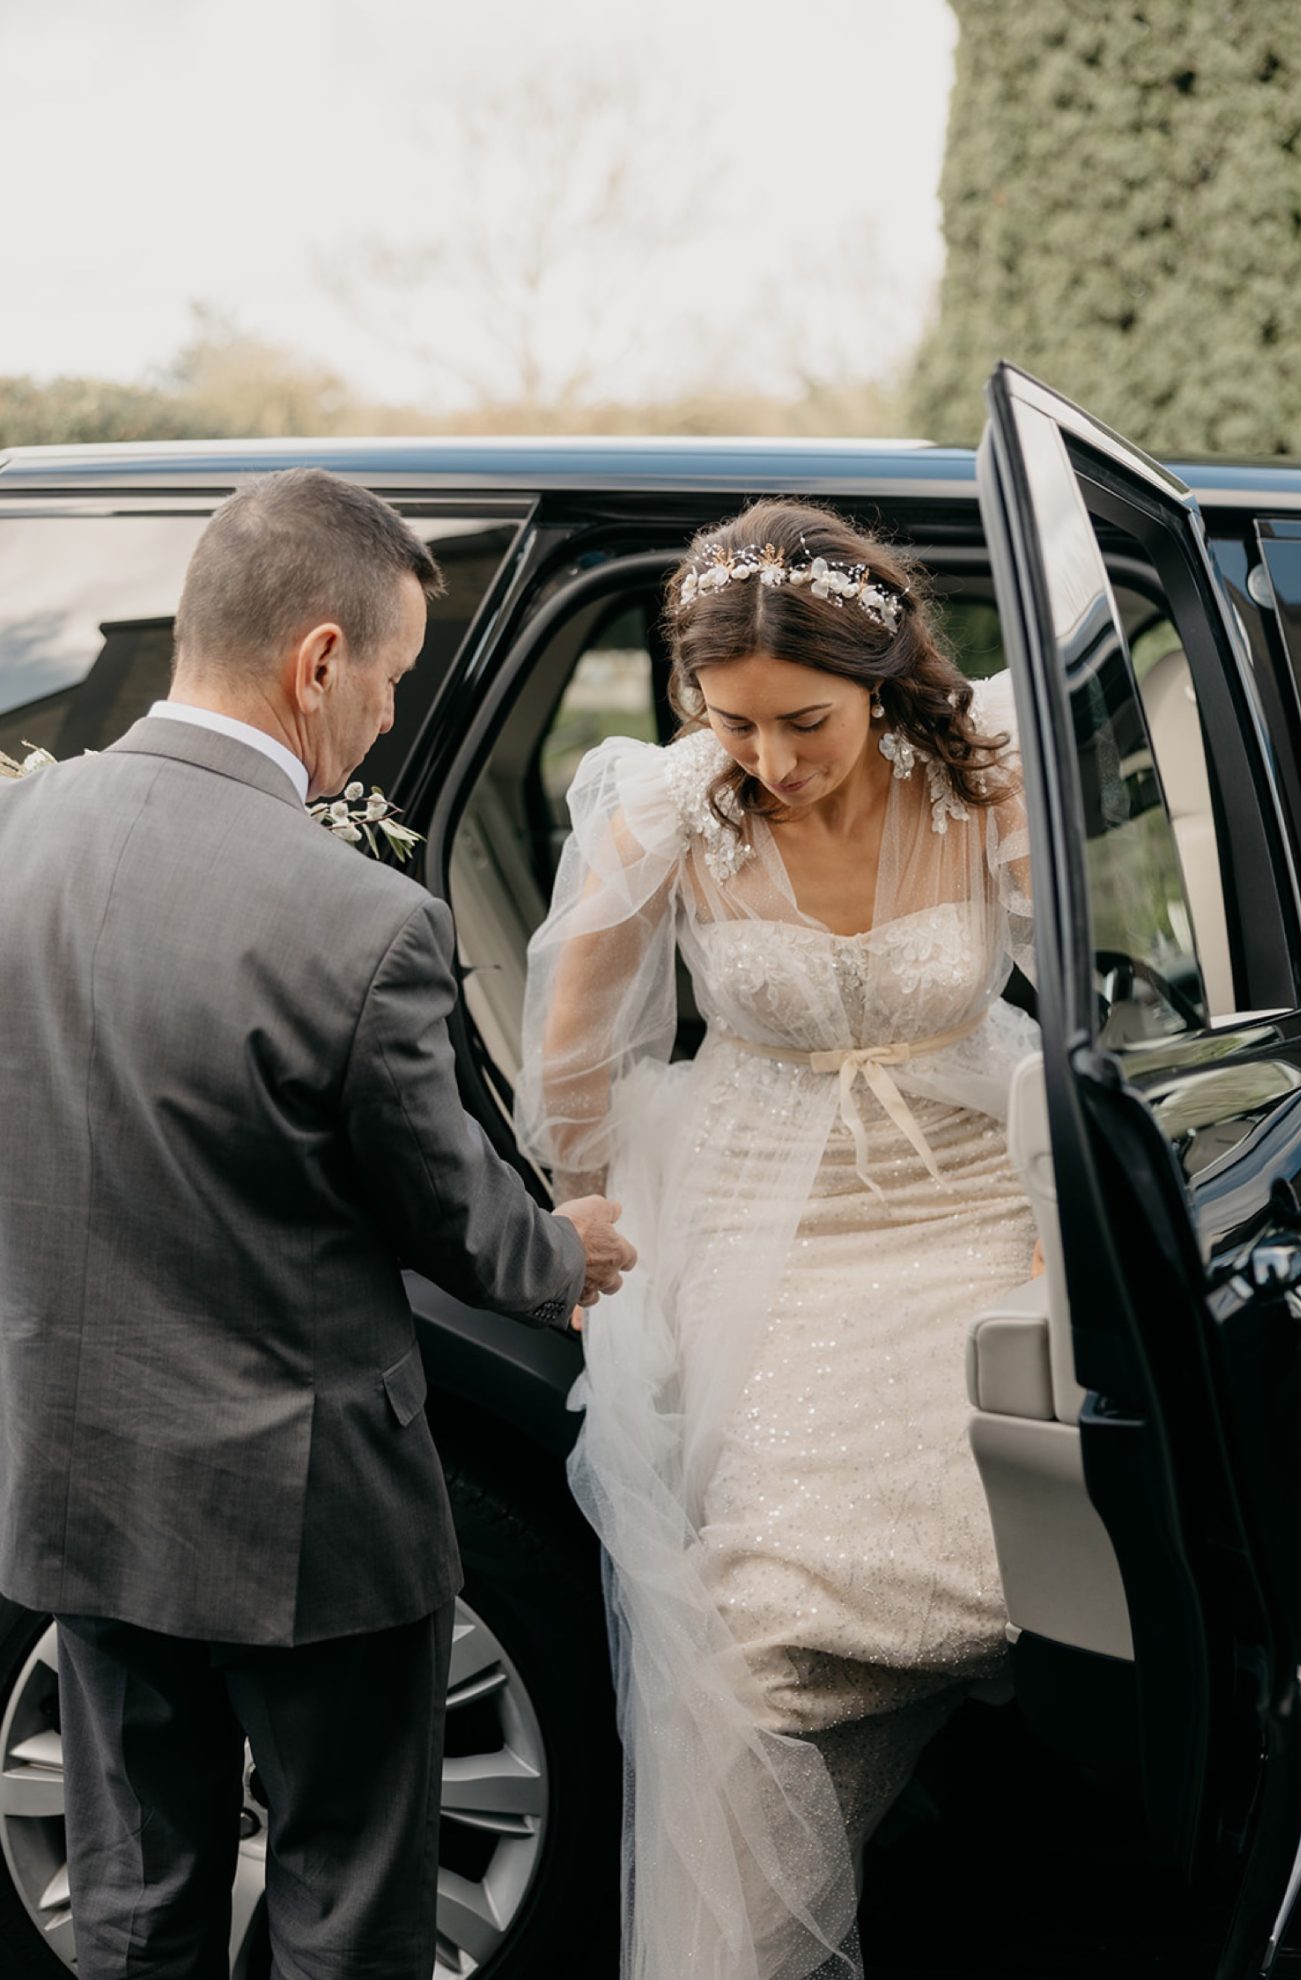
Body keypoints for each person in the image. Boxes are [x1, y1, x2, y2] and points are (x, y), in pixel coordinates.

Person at [0, 468, 636, 1980]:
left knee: (129, 1906)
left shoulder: (21, 838)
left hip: (79, 1479)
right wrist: (577, 1248)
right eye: (395, 677)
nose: (387, 719)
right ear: (317, 661)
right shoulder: (364, 925)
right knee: (347, 1909)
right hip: (307, 1529)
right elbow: (459, 1225)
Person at [515, 498, 1039, 1978]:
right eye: (734, 724)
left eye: (804, 720)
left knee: (995, 1568)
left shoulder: (990, 787)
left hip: (972, 1206)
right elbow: (570, 1056)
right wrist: (581, 1221)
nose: (772, 763)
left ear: (881, 673)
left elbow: (1084, 1023)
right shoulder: (665, 809)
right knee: (760, 1625)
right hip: (766, 1232)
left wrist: (1067, 1232)